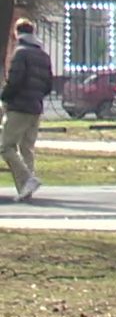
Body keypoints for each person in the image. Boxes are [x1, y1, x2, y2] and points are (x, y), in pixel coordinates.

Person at [1, 19, 52, 202]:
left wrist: (4, 97)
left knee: (6, 146)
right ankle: (26, 190)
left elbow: (14, 81)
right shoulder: (43, 55)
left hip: (19, 107)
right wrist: (36, 95)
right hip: (35, 107)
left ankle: (27, 180)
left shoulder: (20, 53)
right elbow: (48, 84)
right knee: (27, 148)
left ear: (16, 32)